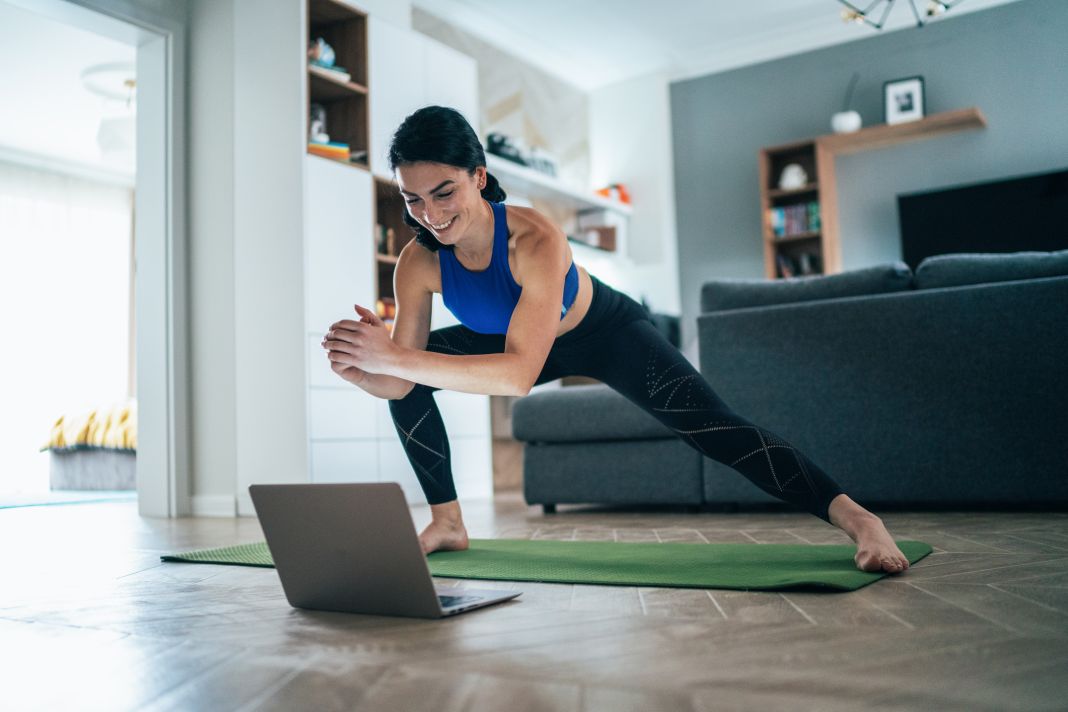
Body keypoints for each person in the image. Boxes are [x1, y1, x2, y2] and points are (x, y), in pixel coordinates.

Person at [320, 106, 910, 574]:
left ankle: (861, 521)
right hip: (512, 342)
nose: (428, 213)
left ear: (478, 176)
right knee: (410, 388)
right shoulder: (416, 262)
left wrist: (398, 358)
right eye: (411, 199)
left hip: (603, 332)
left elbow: (519, 375)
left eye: (443, 192)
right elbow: (404, 379)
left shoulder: (535, 240)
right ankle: (447, 522)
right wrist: (370, 370)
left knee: (714, 427)